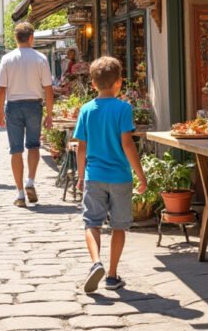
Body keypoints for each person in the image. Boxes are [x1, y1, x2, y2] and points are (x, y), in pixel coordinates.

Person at [74, 56, 147, 292]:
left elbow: (81, 147)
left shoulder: (86, 109)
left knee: (91, 223)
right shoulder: (123, 108)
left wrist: (80, 175)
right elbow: (127, 144)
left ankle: (96, 262)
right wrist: (141, 175)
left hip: (94, 175)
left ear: (93, 84)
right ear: (119, 82)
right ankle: (112, 275)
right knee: (118, 226)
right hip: (120, 177)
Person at [0, 21, 54, 208]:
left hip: (13, 105)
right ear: (31, 38)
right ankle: (30, 180)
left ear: (15, 38)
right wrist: (50, 113)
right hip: (34, 106)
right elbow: (48, 88)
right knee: (34, 146)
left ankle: (20, 193)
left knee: (16, 151)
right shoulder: (40, 58)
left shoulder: (7, 59)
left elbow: (1, 89)